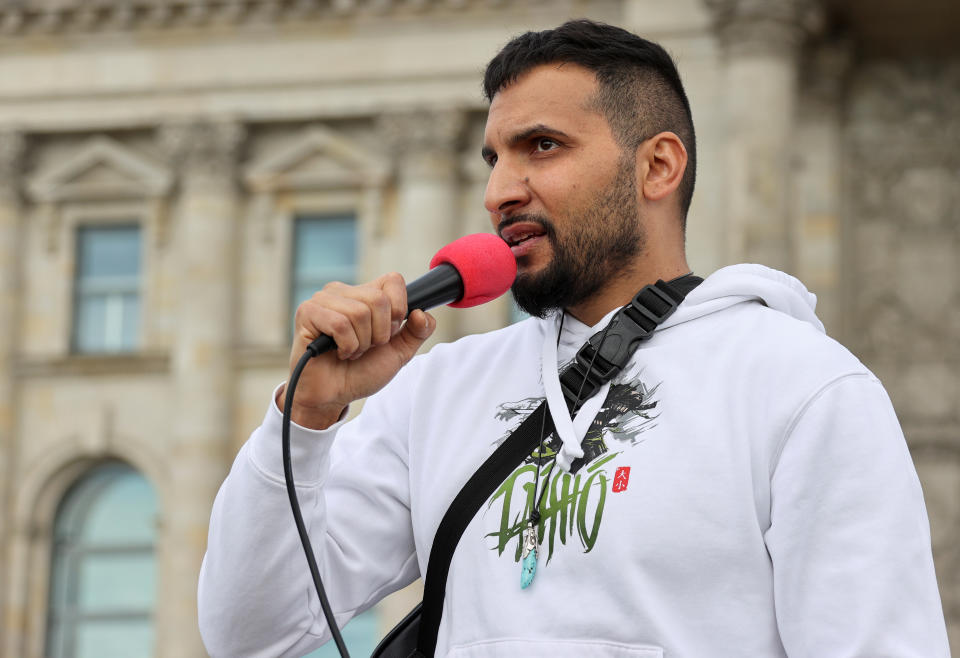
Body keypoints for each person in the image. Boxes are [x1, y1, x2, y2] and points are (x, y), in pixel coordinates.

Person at [198, 19, 950, 657]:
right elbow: (250, 632)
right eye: (494, 158)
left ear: (657, 166)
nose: (499, 190)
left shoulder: (802, 386)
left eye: (543, 147)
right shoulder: (437, 390)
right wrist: (304, 420)